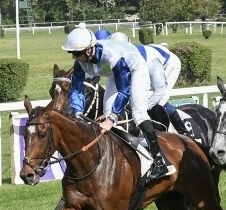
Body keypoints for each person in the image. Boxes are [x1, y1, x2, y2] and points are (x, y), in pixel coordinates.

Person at [62, 23, 174, 180]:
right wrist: (78, 111)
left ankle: (160, 162)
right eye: (72, 53)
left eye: (77, 53)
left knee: (138, 113)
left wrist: (113, 118)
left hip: (135, 69)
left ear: (89, 49)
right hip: (114, 74)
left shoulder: (110, 55)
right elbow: (77, 88)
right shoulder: (81, 61)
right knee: (106, 112)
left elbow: (124, 90)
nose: (75, 57)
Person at [135, 43, 192, 137]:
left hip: (170, 64)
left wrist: (144, 109)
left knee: (160, 100)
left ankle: (184, 132)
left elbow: (160, 90)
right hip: (155, 61)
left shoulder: (150, 62)